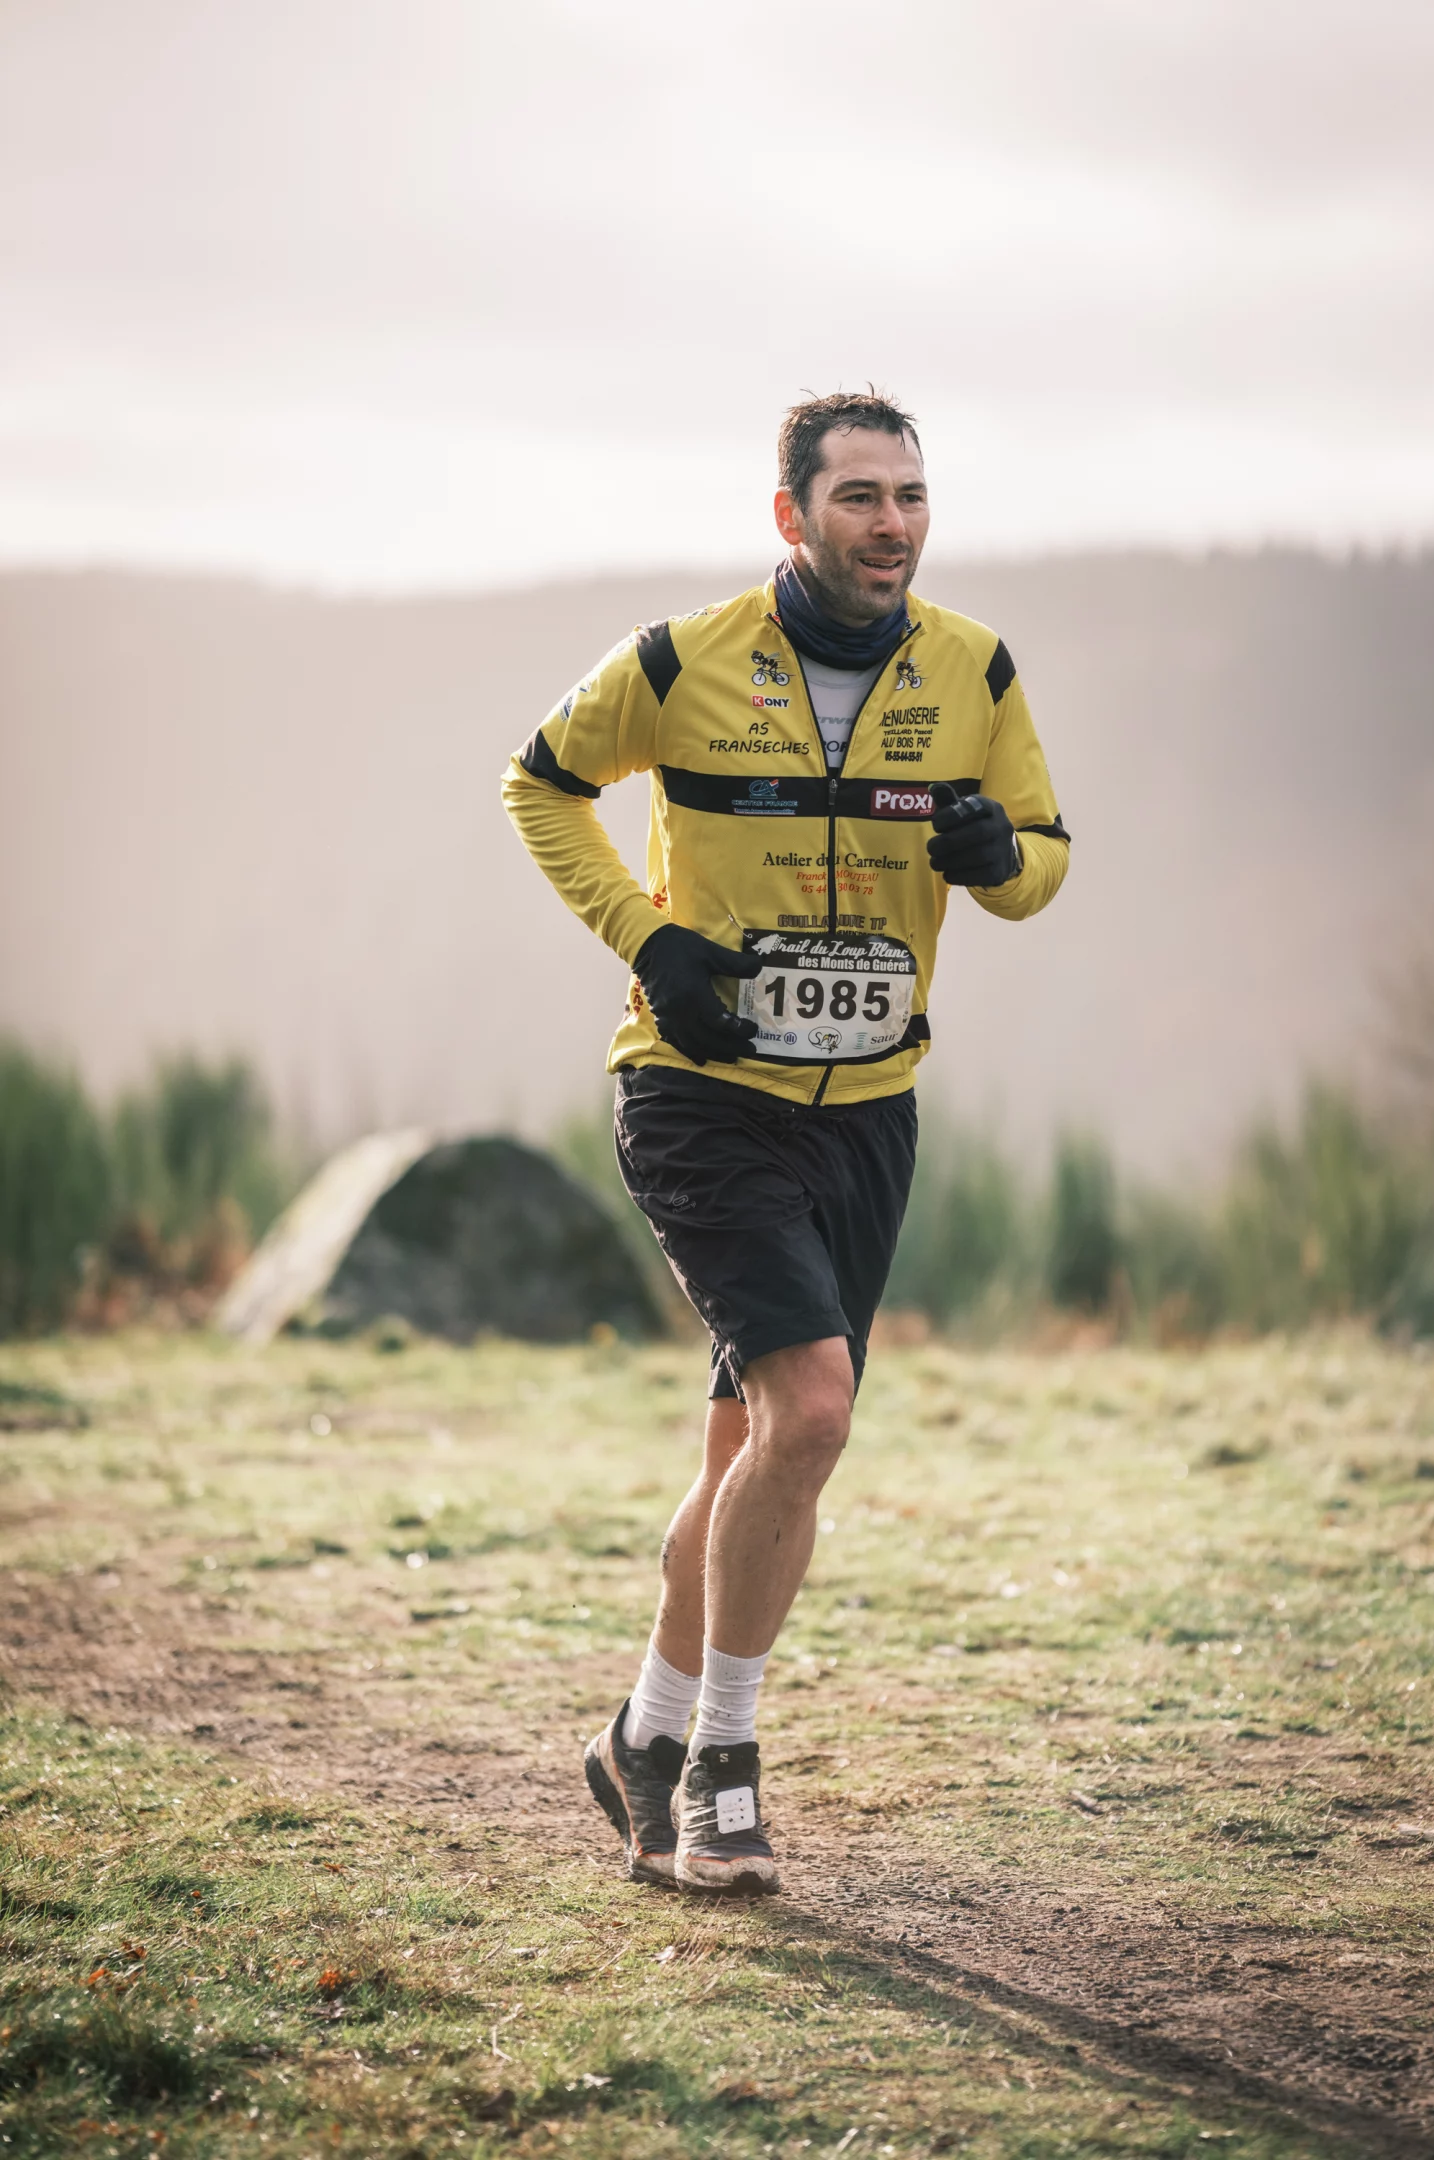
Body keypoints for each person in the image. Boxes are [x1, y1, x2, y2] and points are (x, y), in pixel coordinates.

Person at [502, 390, 1069, 1894]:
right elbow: (538, 783)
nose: (892, 524)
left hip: (870, 1112)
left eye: (911, 496)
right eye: (860, 497)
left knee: (756, 1451)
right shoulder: (681, 661)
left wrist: (1001, 858)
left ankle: (639, 1736)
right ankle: (720, 1765)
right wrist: (646, 935)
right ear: (793, 515)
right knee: (811, 1414)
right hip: (699, 1094)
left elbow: (1044, 860)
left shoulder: (974, 669)